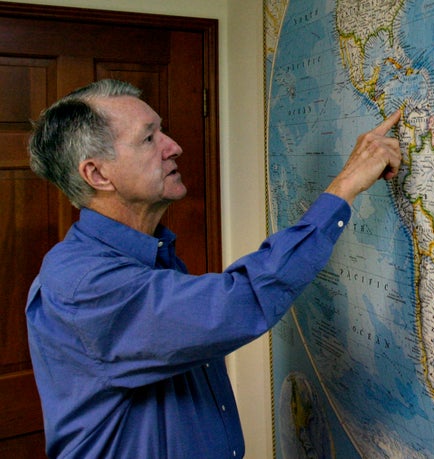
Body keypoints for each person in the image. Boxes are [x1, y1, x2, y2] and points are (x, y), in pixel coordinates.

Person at [26, 79, 402, 458]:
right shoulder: (81, 285)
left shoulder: (152, 256)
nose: (174, 147)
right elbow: (236, 303)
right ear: (97, 174)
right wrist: (344, 188)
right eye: (149, 138)